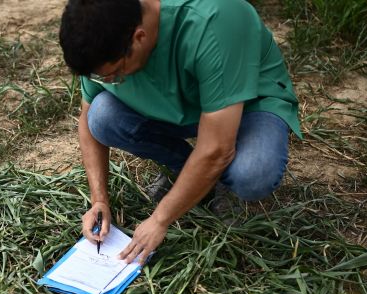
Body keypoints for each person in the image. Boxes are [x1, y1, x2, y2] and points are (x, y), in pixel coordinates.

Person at [58, 0, 301, 265]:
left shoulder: (215, 20)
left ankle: (212, 181)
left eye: (114, 75)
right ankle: (195, 175)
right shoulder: (104, 26)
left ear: (139, 37)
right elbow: (87, 117)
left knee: (254, 173)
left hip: (247, 104)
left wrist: (160, 219)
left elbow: (218, 148)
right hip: (178, 104)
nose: (110, 82)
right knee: (102, 116)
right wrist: (99, 200)